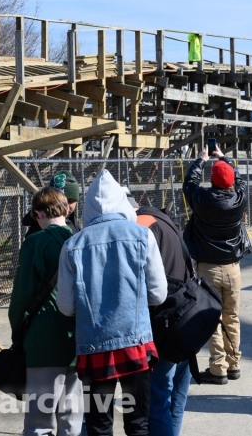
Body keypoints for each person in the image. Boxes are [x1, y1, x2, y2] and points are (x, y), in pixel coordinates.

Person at [56, 170, 167, 436]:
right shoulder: (142, 236)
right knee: (138, 424)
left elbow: (66, 306)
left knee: (99, 426)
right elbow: (158, 295)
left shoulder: (72, 245)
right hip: (136, 343)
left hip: (93, 348)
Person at [9, 187, 81, 435]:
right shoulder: (80, 238)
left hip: (44, 336)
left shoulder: (35, 242)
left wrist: (18, 332)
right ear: (66, 210)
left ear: (38, 213)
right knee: (71, 414)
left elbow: (22, 295)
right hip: (77, 336)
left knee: (39, 417)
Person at [183, 143, 250, 385]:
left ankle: (218, 368)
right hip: (233, 268)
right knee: (232, 317)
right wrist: (225, 159)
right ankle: (234, 364)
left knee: (212, 318)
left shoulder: (202, 199)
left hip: (208, 268)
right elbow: (241, 180)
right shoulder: (239, 199)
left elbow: (189, 183)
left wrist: (201, 159)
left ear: (212, 181)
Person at [136, 204, 191, 436]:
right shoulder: (167, 222)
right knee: (176, 396)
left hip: (163, 324)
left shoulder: (142, 225)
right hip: (185, 319)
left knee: (157, 399)